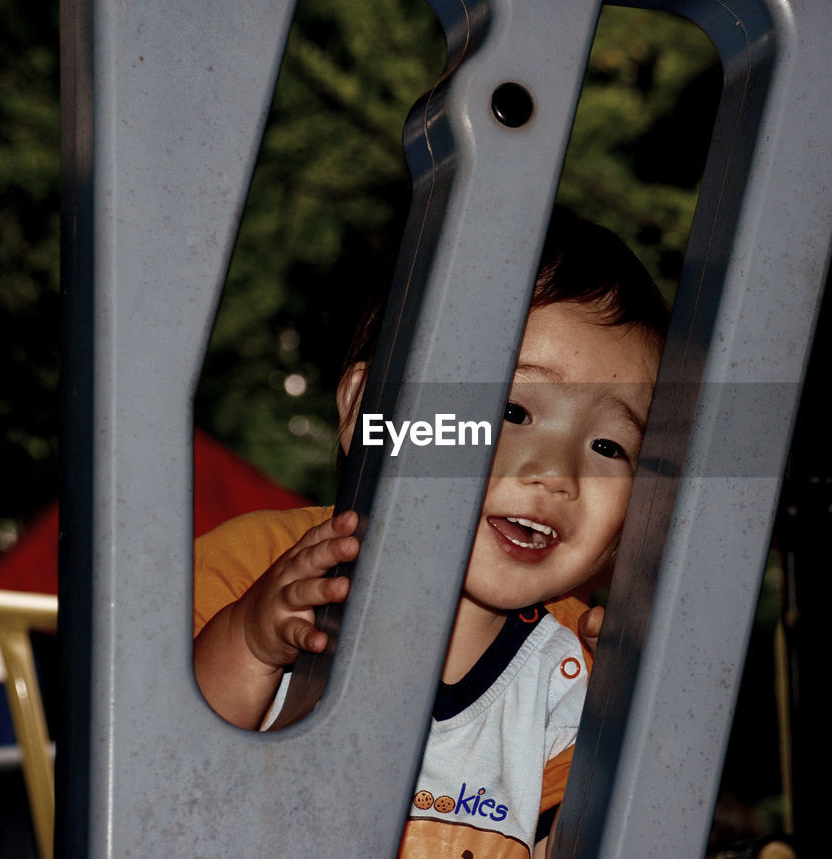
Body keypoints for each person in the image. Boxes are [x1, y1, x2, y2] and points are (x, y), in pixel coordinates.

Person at [193, 210, 669, 857]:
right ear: (371, 412)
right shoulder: (252, 571)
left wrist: (629, 726)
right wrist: (248, 643)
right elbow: (160, 778)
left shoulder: (568, 675)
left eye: (610, 444)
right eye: (513, 410)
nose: (558, 475)